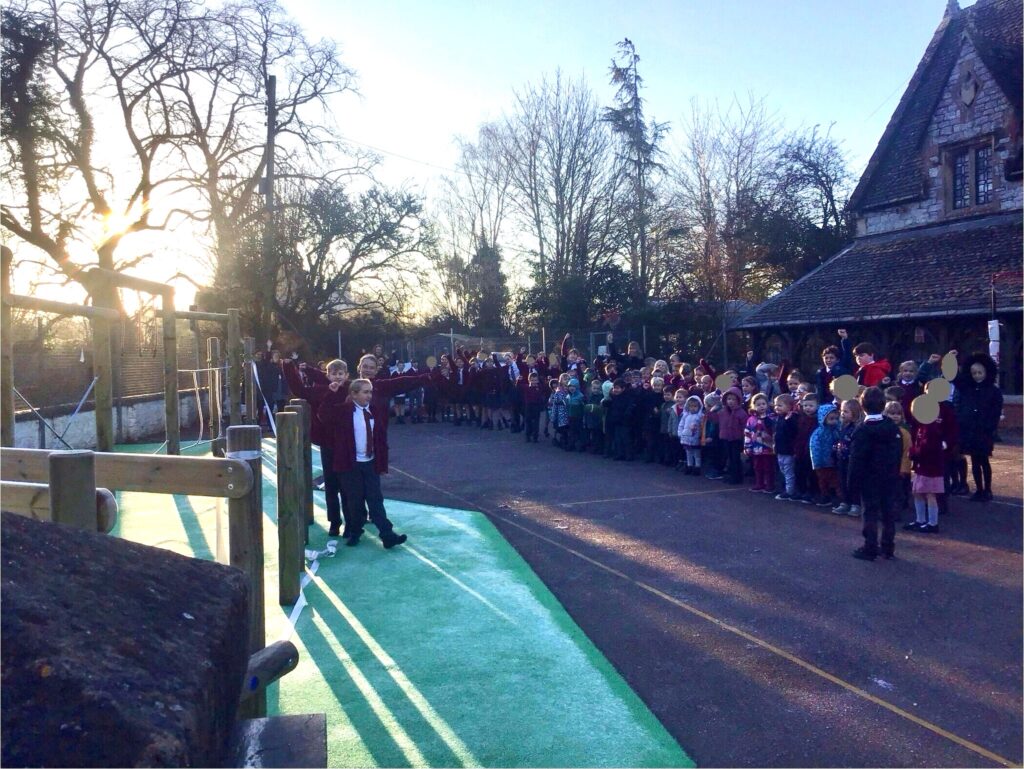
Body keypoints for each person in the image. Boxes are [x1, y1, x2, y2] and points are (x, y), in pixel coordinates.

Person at [318, 378, 407, 549]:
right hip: (350, 464)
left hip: (370, 463)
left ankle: (387, 535)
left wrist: (382, 463)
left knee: (375, 500)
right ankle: (355, 531)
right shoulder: (344, 411)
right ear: (354, 394)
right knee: (354, 500)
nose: (369, 395)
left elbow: (380, 439)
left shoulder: (374, 411)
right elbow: (324, 415)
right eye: (365, 392)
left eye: (370, 392)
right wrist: (331, 393)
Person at [281, 358, 350, 536]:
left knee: (348, 486)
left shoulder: (351, 390)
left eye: (340, 374)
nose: (337, 377)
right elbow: (299, 389)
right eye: (333, 374)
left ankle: (352, 522)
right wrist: (289, 368)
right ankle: (335, 522)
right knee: (331, 486)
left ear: (346, 375)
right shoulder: (320, 391)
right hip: (328, 445)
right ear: (327, 376)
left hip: (347, 445)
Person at [848, 387, 902, 561]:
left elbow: (856, 459)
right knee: (888, 512)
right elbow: (898, 452)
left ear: (862, 406)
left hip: (869, 479)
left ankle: (870, 547)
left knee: (870, 512)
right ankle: (888, 546)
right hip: (889, 476)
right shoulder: (892, 427)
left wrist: (852, 483)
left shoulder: (862, 430)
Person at [953, 352, 1003, 502]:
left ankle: (987, 489)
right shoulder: (967, 387)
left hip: (984, 431)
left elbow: (996, 411)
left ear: (987, 372)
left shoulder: (994, 391)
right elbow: (954, 377)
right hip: (969, 430)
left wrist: (990, 427)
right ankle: (979, 489)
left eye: (979, 372)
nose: (976, 376)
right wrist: (951, 359)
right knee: (975, 461)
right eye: (974, 373)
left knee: (984, 461)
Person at [832, 399, 864, 517]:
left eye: (846, 411)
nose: (842, 414)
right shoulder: (844, 426)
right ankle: (845, 501)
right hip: (842, 458)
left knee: (853, 482)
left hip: (853, 460)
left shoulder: (858, 428)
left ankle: (856, 504)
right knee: (842, 481)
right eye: (841, 411)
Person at [810, 403, 842, 507]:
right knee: (823, 480)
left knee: (835, 480)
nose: (834, 421)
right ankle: (825, 496)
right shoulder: (819, 433)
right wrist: (817, 462)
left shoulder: (837, 430)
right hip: (822, 462)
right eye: (831, 419)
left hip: (834, 461)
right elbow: (814, 447)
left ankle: (839, 498)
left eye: (836, 418)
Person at [743, 393, 776, 493]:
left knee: (768, 466)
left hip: (768, 447)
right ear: (753, 406)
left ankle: (769, 484)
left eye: (763, 404)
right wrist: (747, 446)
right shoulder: (751, 419)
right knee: (757, 466)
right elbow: (747, 433)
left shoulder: (771, 417)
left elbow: (774, 431)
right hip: (756, 447)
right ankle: (759, 483)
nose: (761, 406)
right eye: (758, 404)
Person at [773, 394, 798, 501]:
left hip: (788, 450)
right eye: (776, 405)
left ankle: (789, 491)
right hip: (780, 449)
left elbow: (792, 432)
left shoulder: (791, 418)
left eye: (780, 405)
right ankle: (786, 488)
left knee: (788, 471)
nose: (777, 407)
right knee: (783, 469)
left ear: (789, 406)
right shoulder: (779, 418)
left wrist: (788, 420)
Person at [677, 394, 705, 475]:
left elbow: (702, 427)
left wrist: (698, 432)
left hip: (695, 437)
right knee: (688, 453)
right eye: (691, 406)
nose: (693, 408)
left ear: (699, 406)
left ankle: (697, 467)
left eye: (695, 406)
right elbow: (681, 425)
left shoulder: (700, 416)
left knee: (696, 453)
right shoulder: (685, 415)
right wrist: (680, 433)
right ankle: (689, 466)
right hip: (686, 437)